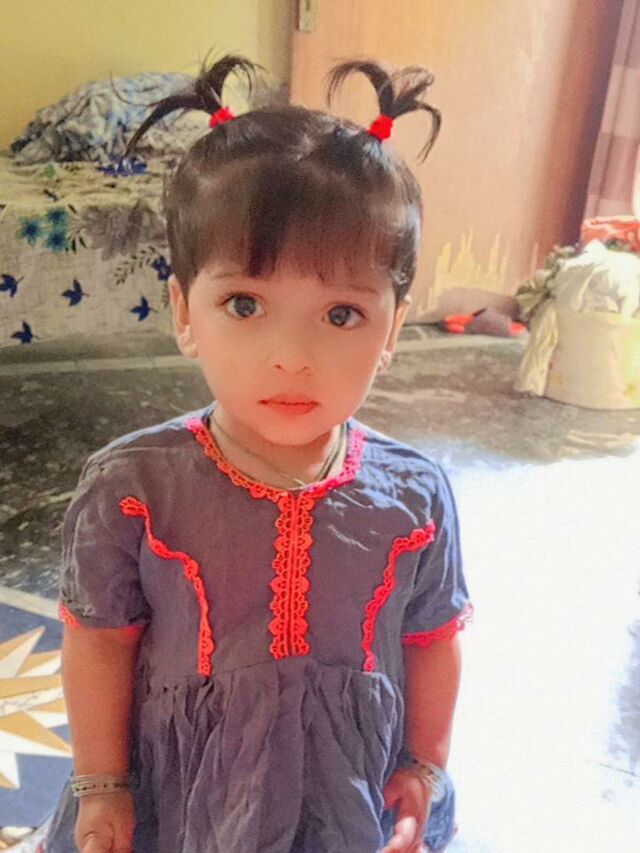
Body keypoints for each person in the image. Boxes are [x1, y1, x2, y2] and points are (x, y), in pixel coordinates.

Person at [45, 54, 473, 853]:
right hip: (185, 803)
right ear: (184, 312)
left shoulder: (416, 496)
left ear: (393, 327)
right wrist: (102, 784)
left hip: (348, 796)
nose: (291, 357)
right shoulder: (132, 489)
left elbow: (432, 639)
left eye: (341, 314)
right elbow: (99, 641)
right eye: (245, 303)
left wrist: (425, 762)